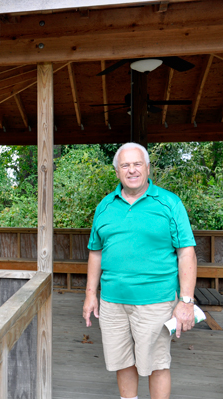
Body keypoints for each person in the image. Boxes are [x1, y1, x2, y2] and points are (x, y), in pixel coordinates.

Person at [82, 142, 197, 399]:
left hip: (156, 301)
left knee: (157, 364)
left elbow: (186, 252)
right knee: (121, 361)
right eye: (125, 165)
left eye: (137, 164)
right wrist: (91, 294)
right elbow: (96, 252)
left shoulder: (169, 203)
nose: (131, 170)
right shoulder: (105, 206)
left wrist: (186, 300)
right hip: (112, 302)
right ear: (117, 172)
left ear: (147, 168)